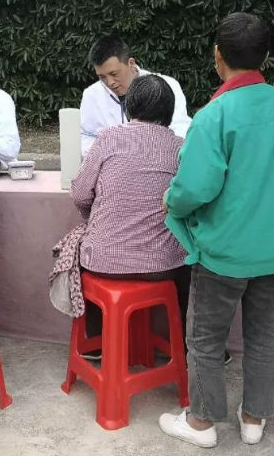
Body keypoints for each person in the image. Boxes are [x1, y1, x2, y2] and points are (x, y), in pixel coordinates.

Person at [158, 13, 274, 448]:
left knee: (204, 338)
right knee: (262, 336)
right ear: (266, 56)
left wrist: (172, 201)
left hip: (224, 250)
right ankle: (254, 418)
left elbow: (195, 186)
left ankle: (201, 422)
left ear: (217, 55)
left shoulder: (215, 114)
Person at [70, 75, 190, 359]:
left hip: (103, 262)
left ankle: (97, 342)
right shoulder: (180, 146)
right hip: (161, 265)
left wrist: (97, 218)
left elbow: (80, 193)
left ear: (129, 107)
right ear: (169, 112)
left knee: (82, 250)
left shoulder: (108, 137)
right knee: (189, 266)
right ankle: (187, 346)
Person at [79, 35, 191, 156]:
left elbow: (180, 129)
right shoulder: (92, 95)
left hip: (160, 159)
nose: (110, 82)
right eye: (102, 77)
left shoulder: (166, 86)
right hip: (112, 164)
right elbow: (86, 137)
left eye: (114, 74)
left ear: (131, 63)